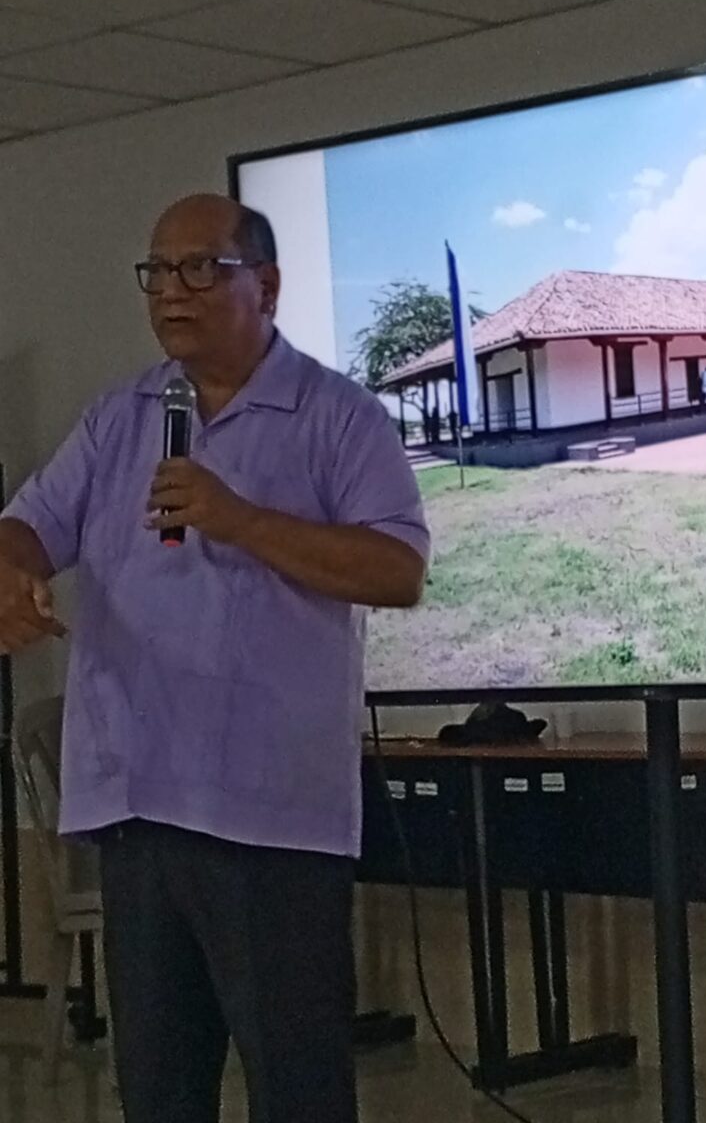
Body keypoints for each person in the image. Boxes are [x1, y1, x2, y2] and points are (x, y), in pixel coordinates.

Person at [0, 194, 429, 1123]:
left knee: (297, 1090)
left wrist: (240, 520)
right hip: (137, 803)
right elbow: (30, 523)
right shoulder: (121, 415)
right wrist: (10, 571)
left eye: (200, 268)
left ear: (265, 285)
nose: (171, 293)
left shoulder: (338, 417)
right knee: (158, 1092)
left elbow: (398, 570)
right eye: (157, 272)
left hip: (270, 819)